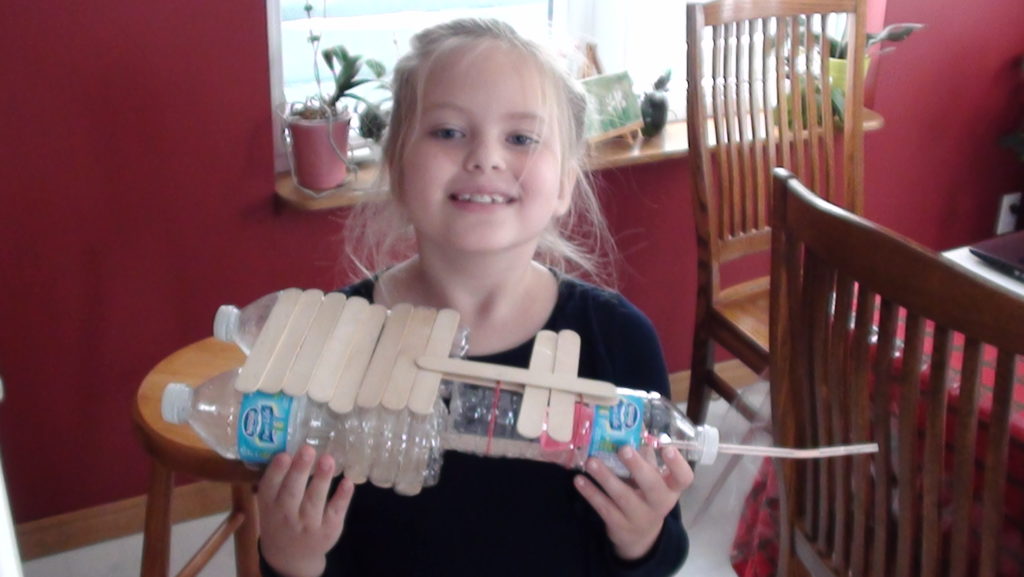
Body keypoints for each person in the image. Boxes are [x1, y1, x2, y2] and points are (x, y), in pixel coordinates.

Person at [257, 18, 693, 577]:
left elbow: (658, 553)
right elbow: (306, 549)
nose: (486, 157)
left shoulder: (619, 344)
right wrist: (290, 556)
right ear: (396, 167)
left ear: (564, 184)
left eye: (521, 138)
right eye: (447, 131)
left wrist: (643, 537)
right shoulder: (327, 344)